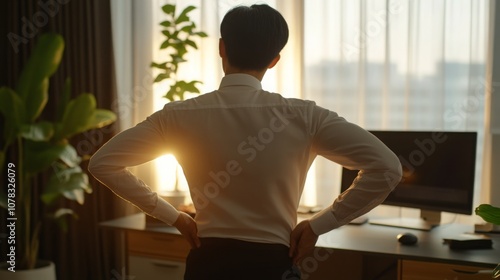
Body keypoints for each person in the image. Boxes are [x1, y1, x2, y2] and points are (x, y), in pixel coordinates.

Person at [88, 4, 402, 280]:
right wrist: (319, 224)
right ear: (275, 60)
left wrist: (175, 217)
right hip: (272, 264)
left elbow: (103, 163)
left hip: (206, 264)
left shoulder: (179, 115)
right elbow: (387, 169)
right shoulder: (305, 116)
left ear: (222, 48)